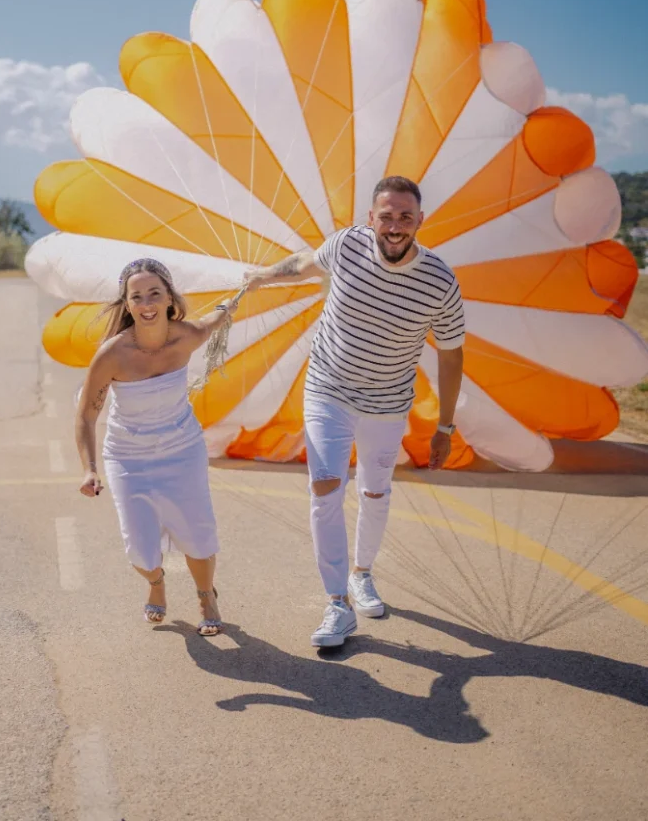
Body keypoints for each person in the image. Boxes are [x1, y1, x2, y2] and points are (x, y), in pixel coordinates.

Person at [244, 176, 465, 648]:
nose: (395, 226)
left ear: (420, 221)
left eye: (406, 216)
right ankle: (337, 603)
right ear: (371, 219)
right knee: (325, 486)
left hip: (387, 405)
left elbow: (451, 355)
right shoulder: (346, 245)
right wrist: (263, 276)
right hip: (328, 391)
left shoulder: (440, 281)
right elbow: (306, 262)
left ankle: (362, 573)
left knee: (375, 492)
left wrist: (445, 426)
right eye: (386, 216)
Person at [75, 257, 236, 635]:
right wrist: (90, 468)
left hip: (183, 449)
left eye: (154, 294)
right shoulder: (111, 355)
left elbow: (215, 320)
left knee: (197, 534)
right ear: (127, 305)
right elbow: (85, 415)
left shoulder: (187, 335)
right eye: (137, 297)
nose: (146, 304)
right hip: (129, 458)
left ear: (168, 298)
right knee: (140, 550)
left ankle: (205, 594)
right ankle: (156, 583)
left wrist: (235, 301)